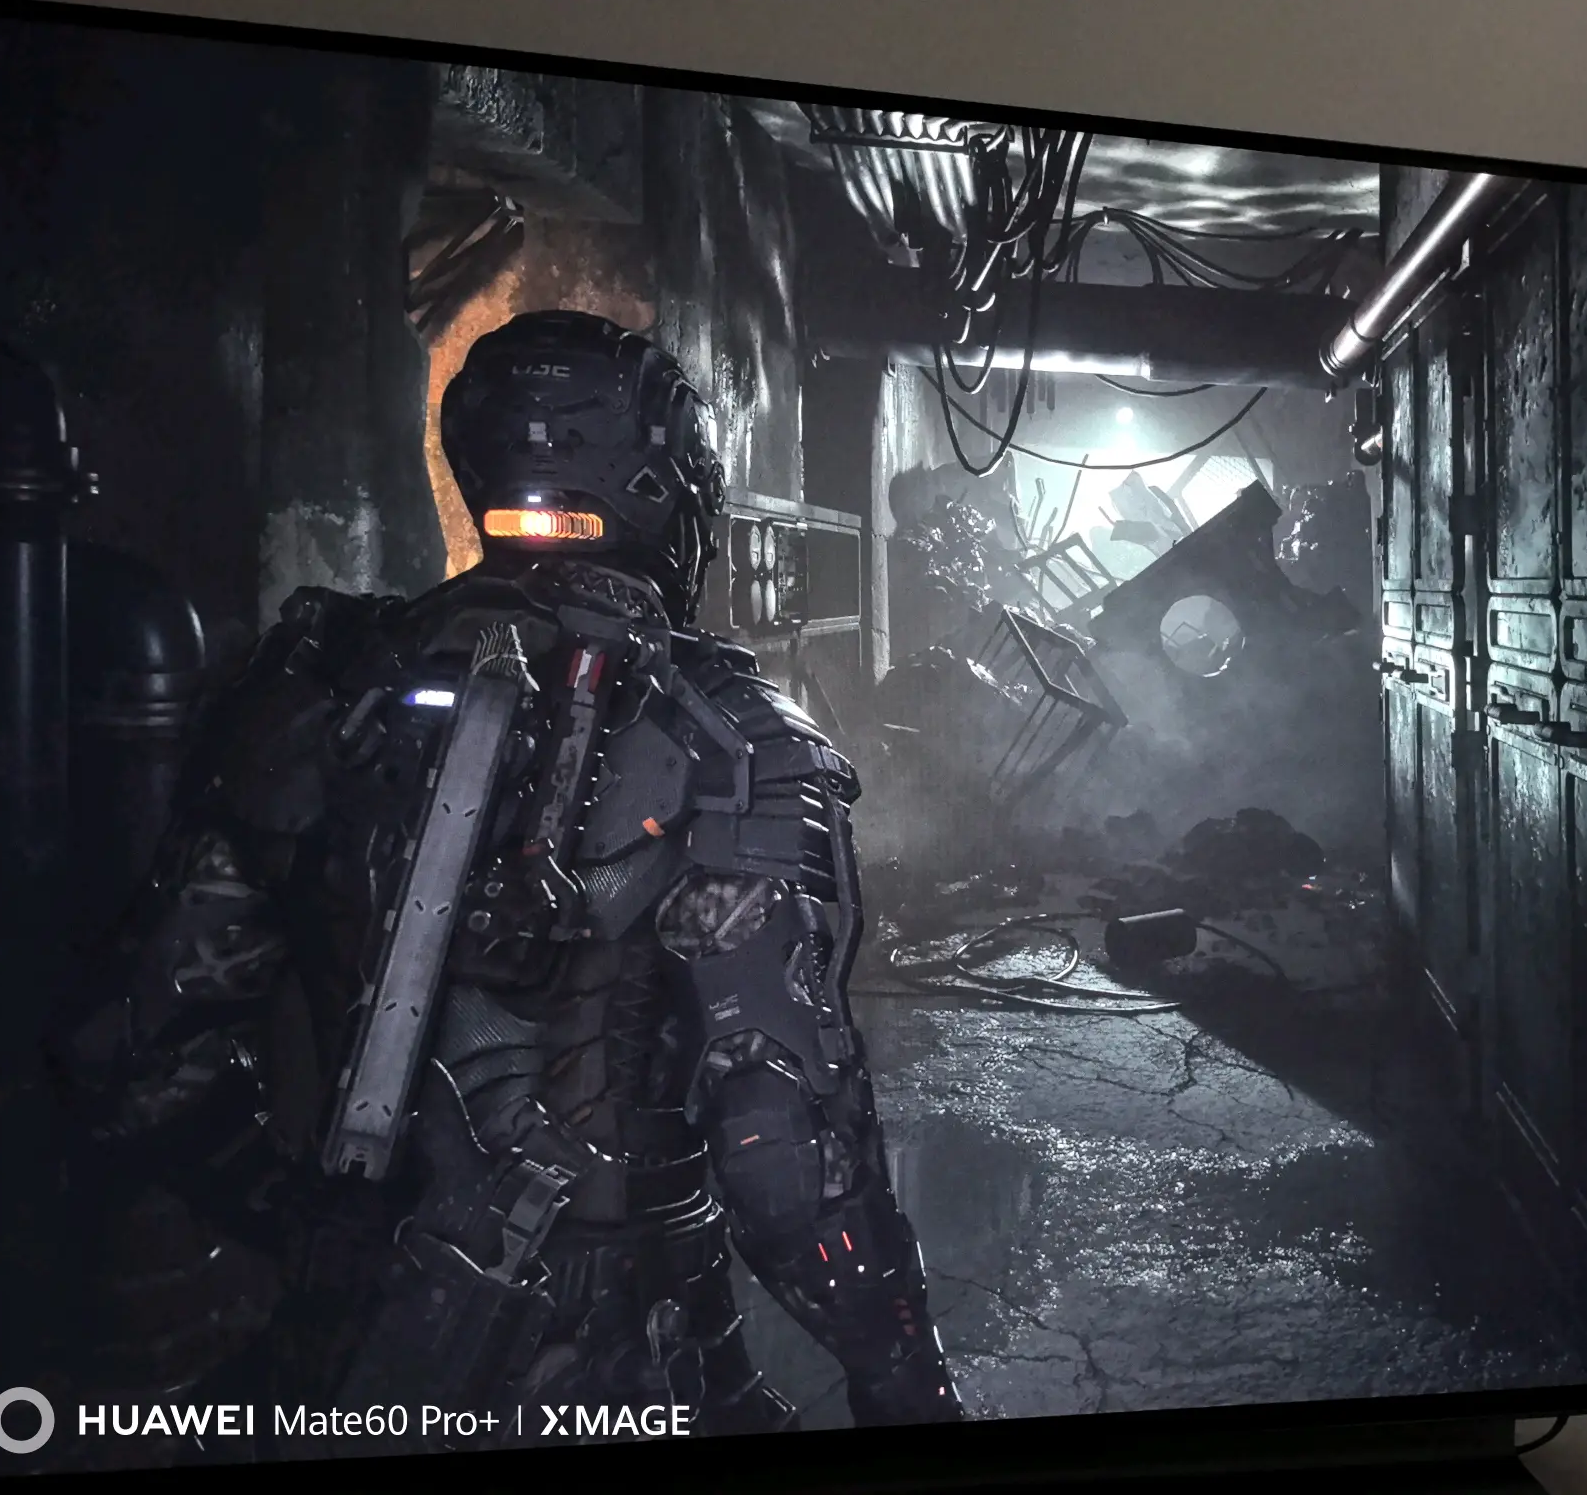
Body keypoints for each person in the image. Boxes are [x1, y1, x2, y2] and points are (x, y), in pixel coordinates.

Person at [69, 310, 961, 1450]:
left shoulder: (318, 688)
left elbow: (132, 1055)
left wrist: (308, 1222)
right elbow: (788, 1163)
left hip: (339, 1331)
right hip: (629, 1354)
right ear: (666, 488)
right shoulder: (735, 741)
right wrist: (910, 1389)